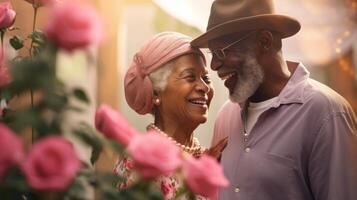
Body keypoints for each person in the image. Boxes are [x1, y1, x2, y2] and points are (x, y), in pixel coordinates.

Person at [191, 0, 357, 200]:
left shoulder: (326, 113)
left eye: (222, 52)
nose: (215, 65)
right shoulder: (226, 115)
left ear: (264, 41)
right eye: (212, 54)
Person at [113, 31, 227, 199]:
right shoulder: (139, 162)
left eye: (206, 78)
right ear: (156, 93)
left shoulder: (209, 160)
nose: (204, 87)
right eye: (190, 77)